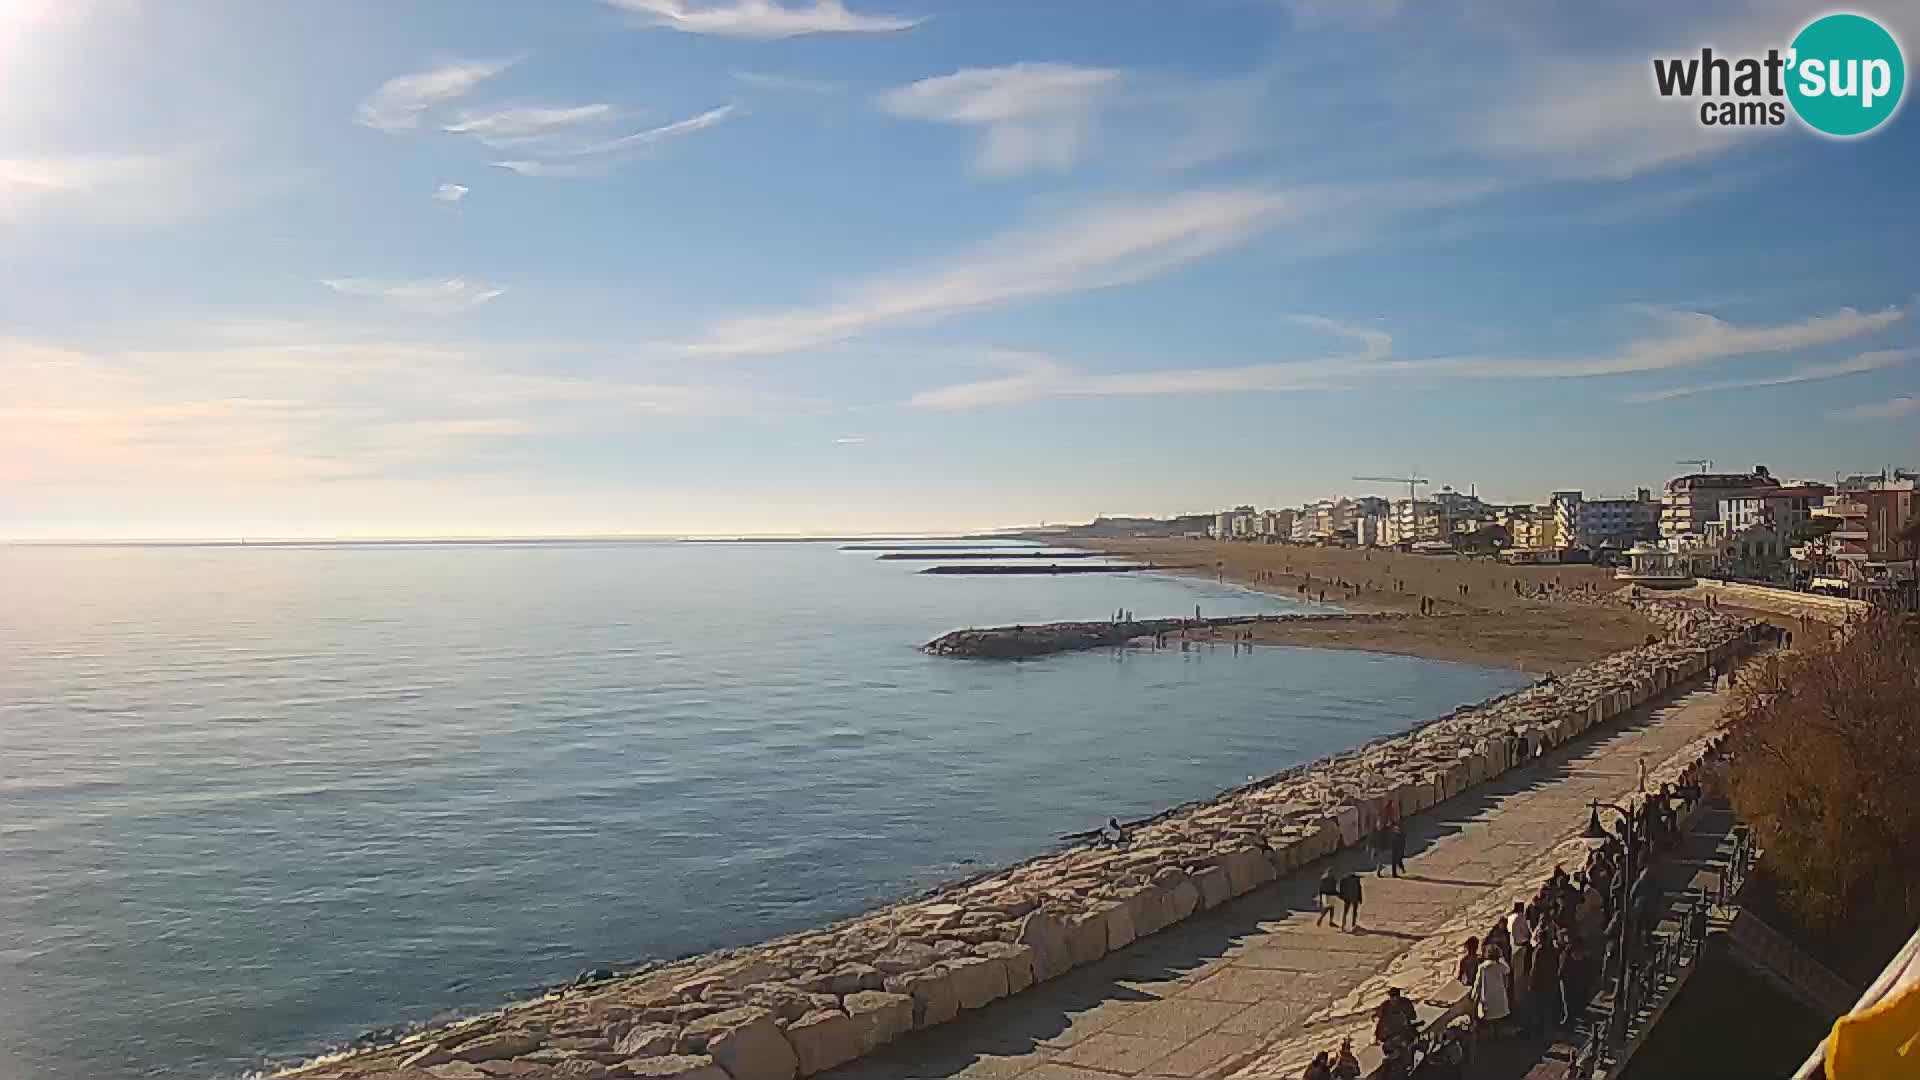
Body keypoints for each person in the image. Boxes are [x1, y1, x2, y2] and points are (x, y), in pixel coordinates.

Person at [1473, 942, 1513, 1036]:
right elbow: (1508, 970)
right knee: (1498, 1017)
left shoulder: (1482, 967)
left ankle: (1492, 1034)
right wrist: (1501, 959)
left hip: (1487, 996)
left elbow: (1477, 983)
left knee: (1489, 1017)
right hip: (1498, 995)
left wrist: (1474, 994)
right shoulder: (1500, 966)